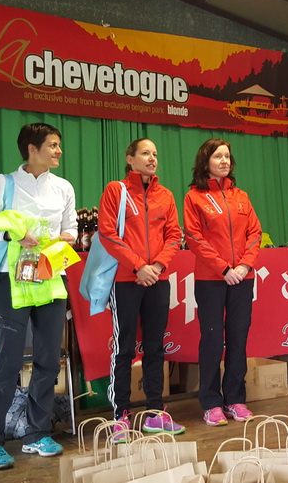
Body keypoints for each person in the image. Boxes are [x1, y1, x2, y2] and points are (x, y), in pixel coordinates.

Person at [0, 123, 77, 469]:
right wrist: (12, 237)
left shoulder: (63, 187)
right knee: (8, 364)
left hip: (50, 280)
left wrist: (65, 238)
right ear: (32, 149)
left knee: (49, 361)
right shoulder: (5, 184)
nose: (59, 151)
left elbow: (71, 228)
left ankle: (36, 434)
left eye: (59, 145)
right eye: (53, 145)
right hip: (10, 282)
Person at [97, 138, 184, 440]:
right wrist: (138, 266)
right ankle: (120, 415)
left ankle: (156, 413)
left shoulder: (166, 195)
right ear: (130, 159)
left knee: (155, 348)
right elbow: (107, 233)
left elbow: (174, 236)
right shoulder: (116, 191)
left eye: (155, 154)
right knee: (123, 348)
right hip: (126, 281)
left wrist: (157, 267)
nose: (152, 158)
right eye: (145, 153)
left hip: (157, 281)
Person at [183, 138, 262, 426]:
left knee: (239, 338)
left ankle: (235, 400)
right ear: (206, 162)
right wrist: (223, 268)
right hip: (211, 279)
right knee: (213, 340)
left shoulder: (241, 196)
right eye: (218, 157)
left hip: (242, 277)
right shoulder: (194, 198)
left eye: (227, 157)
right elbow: (194, 238)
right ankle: (211, 402)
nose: (224, 161)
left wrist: (243, 266)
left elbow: (255, 233)